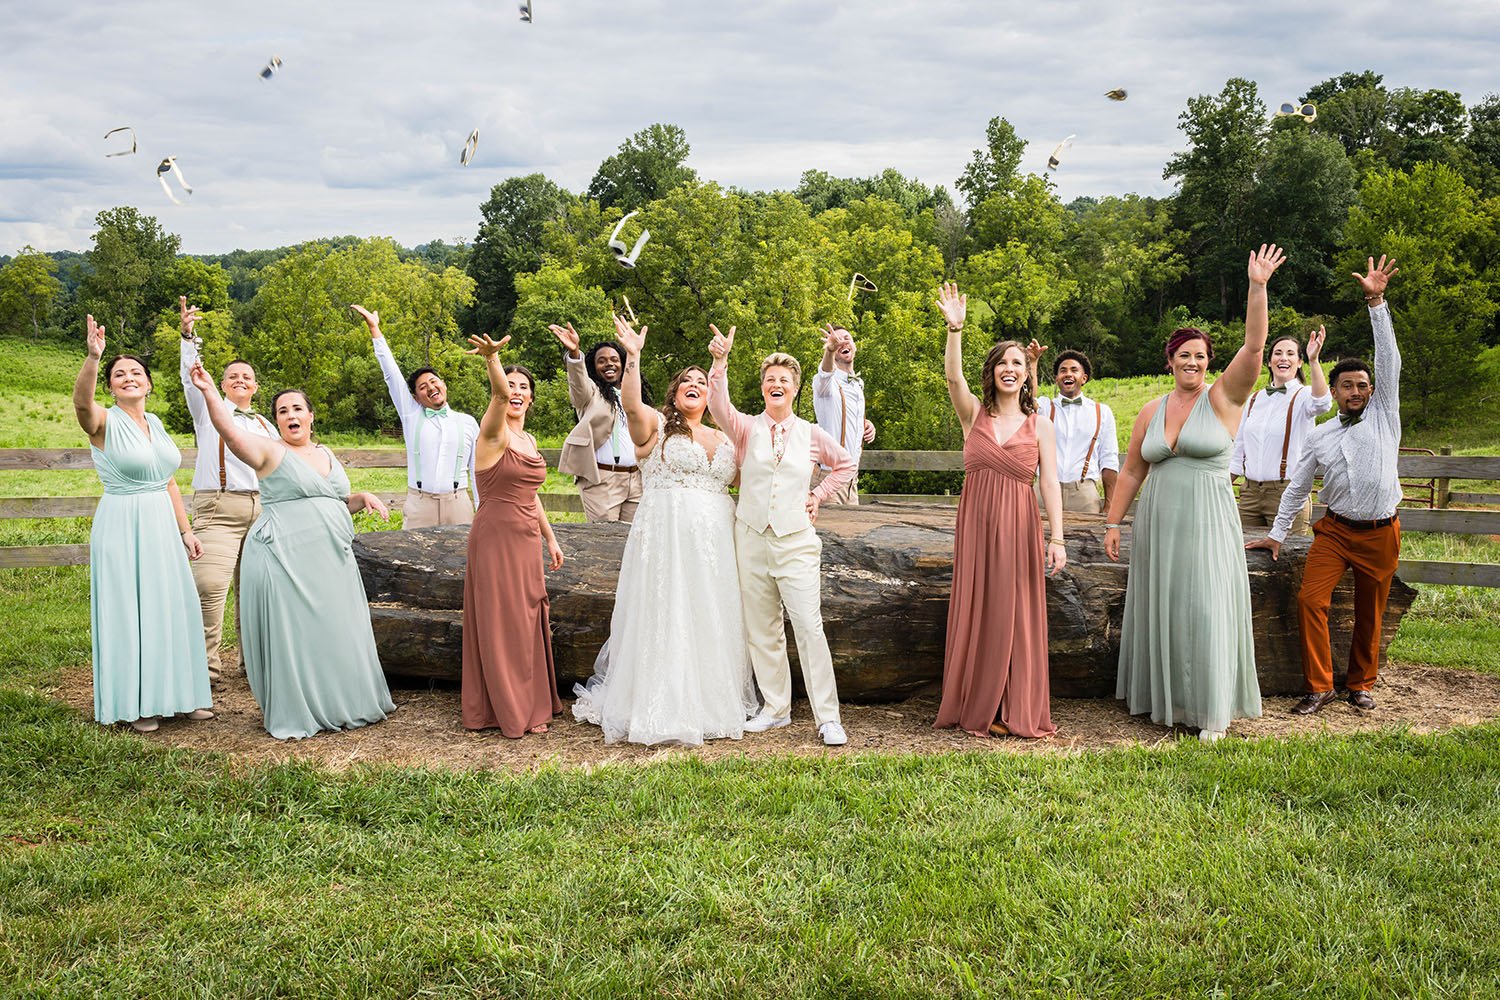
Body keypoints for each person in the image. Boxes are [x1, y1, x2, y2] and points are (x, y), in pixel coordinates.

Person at [1104, 245, 1286, 742]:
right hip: (1160, 520)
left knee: (1206, 605)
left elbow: (1253, 347)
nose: (1193, 362)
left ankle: (1212, 711)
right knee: (1163, 604)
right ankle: (1166, 699)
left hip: (1208, 517)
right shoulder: (1150, 409)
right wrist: (1114, 522)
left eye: (1201, 355)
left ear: (1209, 362)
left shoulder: (1224, 397)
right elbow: (1133, 470)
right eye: (1184, 355)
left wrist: (1257, 286)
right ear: (1170, 361)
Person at [572, 315, 757, 745]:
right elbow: (631, 407)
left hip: (716, 543)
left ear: (710, 393)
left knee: (712, 612)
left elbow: (750, 481)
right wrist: (632, 358)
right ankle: (663, 702)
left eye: (701, 380)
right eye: (685, 380)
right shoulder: (654, 425)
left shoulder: (725, 438)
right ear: (674, 393)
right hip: (667, 537)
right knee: (669, 610)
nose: (695, 383)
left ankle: (713, 701)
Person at [188, 365, 396, 740]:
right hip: (285, 557)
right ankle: (300, 707)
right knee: (298, 633)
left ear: (311, 416)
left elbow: (331, 500)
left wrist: (361, 498)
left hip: (331, 559)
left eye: (297, 408)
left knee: (336, 628)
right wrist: (207, 393)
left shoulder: (326, 452)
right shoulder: (270, 450)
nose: (290, 415)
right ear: (277, 421)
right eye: (282, 411)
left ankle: (344, 701)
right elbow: (232, 435)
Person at [1247, 256, 1402, 715]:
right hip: (1334, 532)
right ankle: (1319, 686)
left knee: (1369, 613)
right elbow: (1297, 488)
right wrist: (1277, 533)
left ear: (1372, 391)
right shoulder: (1321, 435)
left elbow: (1388, 359)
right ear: (1334, 392)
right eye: (1348, 386)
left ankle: (1360, 683)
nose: (1357, 391)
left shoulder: (1384, 415)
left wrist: (1375, 301)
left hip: (1380, 531)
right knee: (1309, 600)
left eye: (1363, 385)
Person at [706, 324, 856, 746]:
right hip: (750, 537)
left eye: (784, 381)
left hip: (796, 541)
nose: (776, 384)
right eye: (770, 379)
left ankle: (828, 717)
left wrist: (819, 494)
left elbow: (845, 464)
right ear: (763, 387)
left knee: (809, 626)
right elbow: (718, 403)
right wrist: (720, 362)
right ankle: (776, 709)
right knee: (762, 627)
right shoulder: (745, 428)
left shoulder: (811, 433)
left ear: (793, 390)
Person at [932, 284, 1067, 739]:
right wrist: (955, 329)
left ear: (1028, 374)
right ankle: (980, 702)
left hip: (1019, 524)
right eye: (1001, 364)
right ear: (990, 373)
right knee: (979, 609)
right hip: (976, 524)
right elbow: (953, 379)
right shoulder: (973, 415)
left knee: (1016, 612)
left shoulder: (1041, 424)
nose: (1009, 370)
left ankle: (1014, 704)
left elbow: (1049, 482)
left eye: (1017, 364)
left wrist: (1058, 537)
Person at [74, 316, 214, 733]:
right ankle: (138, 703)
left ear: (149, 384)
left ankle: (184, 695)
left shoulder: (155, 424)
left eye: (136, 372)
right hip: (124, 523)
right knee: (132, 610)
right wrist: (93, 357)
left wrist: (185, 530)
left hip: (162, 526)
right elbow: (82, 404)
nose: (128, 377)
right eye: (119, 374)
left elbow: (168, 479)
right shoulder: (103, 422)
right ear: (110, 386)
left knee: (174, 606)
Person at [460, 334, 566, 737]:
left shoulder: (529, 440)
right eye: (512, 385)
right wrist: (493, 360)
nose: (516, 392)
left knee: (528, 616)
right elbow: (500, 399)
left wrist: (550, 539)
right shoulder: (494, 434)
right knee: (501, 620)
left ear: (533, 399)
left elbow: (531, 495)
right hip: (495, 538)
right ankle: (508, 708)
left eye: (524, 387)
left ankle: (534, 699)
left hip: (526, 539)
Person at [177, 296, 278, 684]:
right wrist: (188, 337)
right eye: (232, 376)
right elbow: (190, 378)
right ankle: (203, 671)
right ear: (220, 384)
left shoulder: (267, 424)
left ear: (255, 386)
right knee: (209, 586)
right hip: (219, 508)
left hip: (263, 511)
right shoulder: (208, 409)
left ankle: (254, 665)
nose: (239, 380)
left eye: (246, 377)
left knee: (256, 593)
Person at [352, 304, 479, 529]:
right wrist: (375, 331)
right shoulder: (412, 416)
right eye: (422, 387)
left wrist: (482, 508)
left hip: (459, 503)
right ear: (416, 397)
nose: (430, 387)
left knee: (461, 561)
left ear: (444, 384)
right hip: (420, 503)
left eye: (433, 381)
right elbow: (391, 374)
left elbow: (478, 471)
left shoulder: (467, 422)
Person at [1229, 326, 1331, 535]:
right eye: (1278, 353)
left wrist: (1314, 360)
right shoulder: (1254, 398)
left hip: (1287, 492)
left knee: (1288, 559)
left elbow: (1322, 404)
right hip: (1249, 494)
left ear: (1299, 362)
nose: (1283, 358)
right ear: (1269, 361)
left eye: (1290, 353)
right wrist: (1220, 486)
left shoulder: (1304, 396)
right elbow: (1239, 448)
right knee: (1243, 558)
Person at [550, 325, 646, 522]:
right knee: (603, 540)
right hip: (603, 480)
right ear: (594, 367)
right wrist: (575, 353)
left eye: (614, 360)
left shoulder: (635, 396)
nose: (608, 364)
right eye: (601, 361)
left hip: (636, 480)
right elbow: (578, 384)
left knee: (633, 541)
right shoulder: (591, 394)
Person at [1028, 347, 1120, 514]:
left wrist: (1109, 505)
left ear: (1083, 378)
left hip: (1084, 494)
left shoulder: (1101, 412)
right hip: (1044, 490)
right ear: (1056, 379)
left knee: (1088, 540)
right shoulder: (1044, 407)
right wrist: (1033, 363)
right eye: (1063, 370)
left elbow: (1109, 461)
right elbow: (1027, 401)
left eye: (1074, 370)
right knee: (1036, 539)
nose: (1068, 374)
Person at [811, 324, 877, 504]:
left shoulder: (858, 384)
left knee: (852, 533)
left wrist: (865, 423)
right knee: (826, 533)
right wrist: (830, 351)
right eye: (836, 341)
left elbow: (846, 416)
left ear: (854, 345)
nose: (842, 342)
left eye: (846, 338)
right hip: (828, 478)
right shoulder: (824, 383)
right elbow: (825, 373)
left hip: (852, 481)